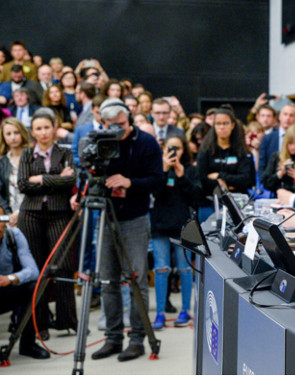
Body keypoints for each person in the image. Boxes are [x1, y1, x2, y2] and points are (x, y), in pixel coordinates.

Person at [82, 98, 162, 362]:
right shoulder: (99, 141)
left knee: (137, 280)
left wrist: (130, 182)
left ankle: (137, 339)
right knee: (107, 280)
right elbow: (88, 173)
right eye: (112, 125)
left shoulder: (146, 143)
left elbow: (157, 181)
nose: (119, 129)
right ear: (103, 123)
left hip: (135, 218)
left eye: (122, 124)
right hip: (106, 215)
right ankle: (113, 338)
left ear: (129, 118)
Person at [17, 108, 77, 337]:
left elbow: (71, 180)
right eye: (38, 129)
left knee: (63, 265)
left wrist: (41, 179)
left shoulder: (65, 152)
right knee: (37, 268)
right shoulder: (26, 154)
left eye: (47, 128)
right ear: (32, 132)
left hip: (59, 212)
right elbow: (23, 184)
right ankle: (39, 323)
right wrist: (57, 179)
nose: (43, 132)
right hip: (30, 215)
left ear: (54, 129)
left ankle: (67, 320)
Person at [150, 133, 202, 330]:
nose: (174, 152)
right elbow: (155, 193)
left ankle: (185, 310)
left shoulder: (190, 169)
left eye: (177, 148)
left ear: (184, 150)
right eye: (170, 148)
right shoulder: (157, 168)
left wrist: (181, 176)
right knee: (161, 269)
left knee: (185, 269)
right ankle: (160, 313)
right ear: (163, 150)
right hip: (160, 225)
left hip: (183, 226)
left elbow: (196, 196)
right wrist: (164, 171)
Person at [0, 206, 48, 359]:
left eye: (1, 219)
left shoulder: (14, 235)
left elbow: (33, 270)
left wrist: (10, 278)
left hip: (6, 288)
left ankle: (28, 344)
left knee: (34, 288)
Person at [196, 108, 254, 222]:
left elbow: (247, 180)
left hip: (238, 202)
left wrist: (220, 176)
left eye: (225, 123)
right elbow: (202, 180)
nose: (222, 127)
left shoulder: (242, 151)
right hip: (210, 203)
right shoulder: (205, 151)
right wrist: (229, 183)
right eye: (218, 124)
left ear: (232, 125)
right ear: (214, 126)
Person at [0, 118, 31, 227]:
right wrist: (8, 214)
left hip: (32, 213)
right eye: (8, 134)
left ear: (22, 133)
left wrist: (20, 212)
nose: (13, 137)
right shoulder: (2, 162)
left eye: (16, 132)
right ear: (3, 137)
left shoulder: (34, 157)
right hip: (10, 216)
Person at [258, 103, 295, 179]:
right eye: (285, 114)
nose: (288, 118)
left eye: (291, 115)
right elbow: (262, 165)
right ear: (279, 116)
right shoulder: (267, 138)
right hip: (272, 181)